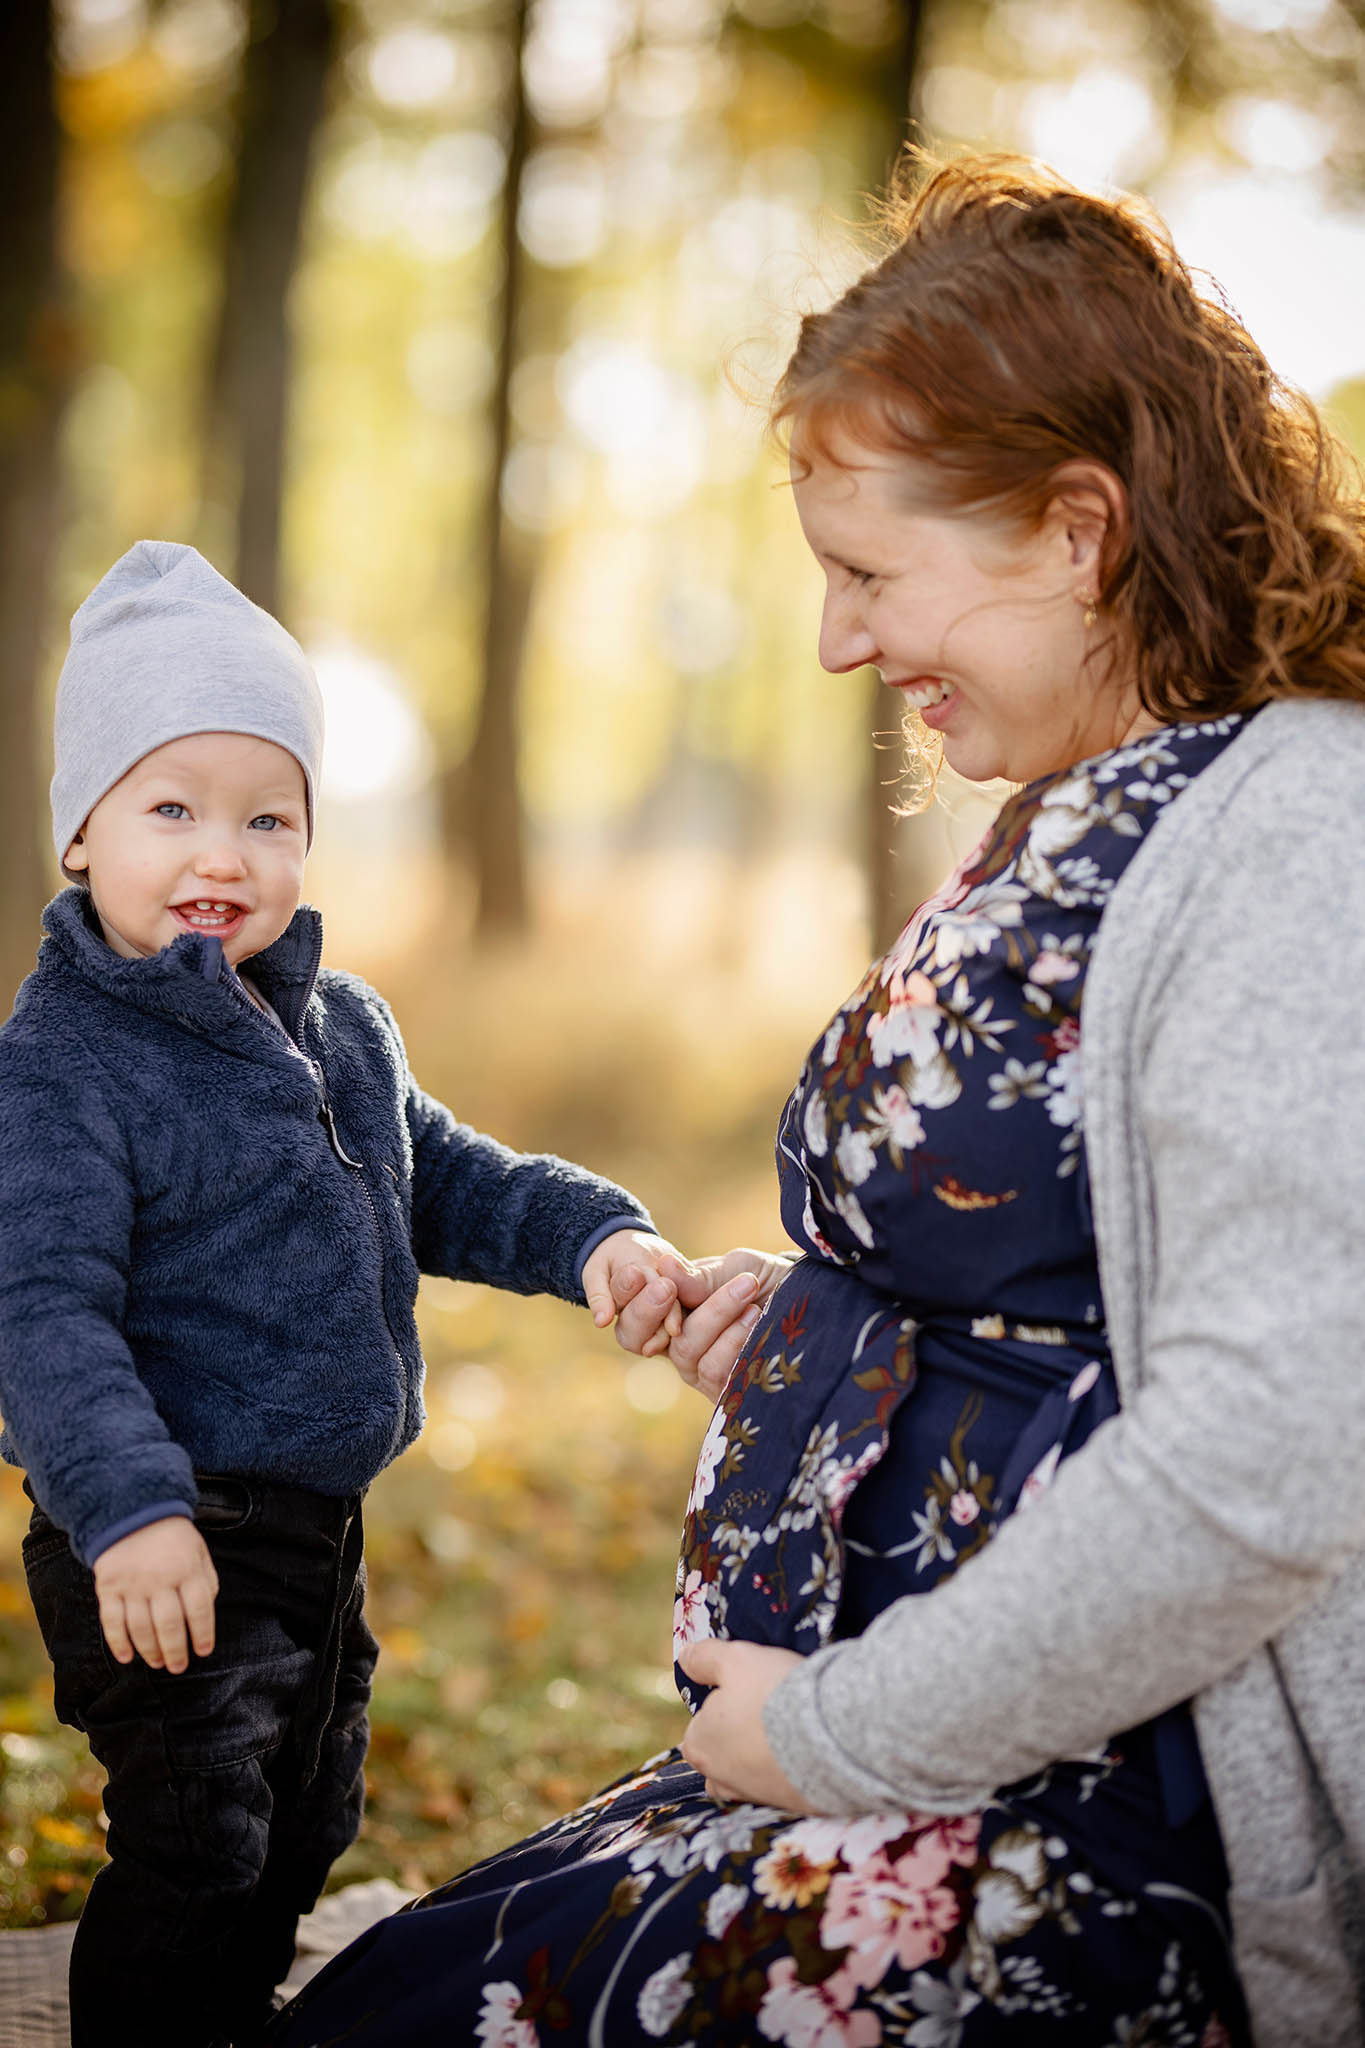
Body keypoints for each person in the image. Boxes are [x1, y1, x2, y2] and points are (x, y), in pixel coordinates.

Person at [259, 154, 1365, 2048]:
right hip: (916, 1757)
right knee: (388, 1989)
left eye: (867, 572)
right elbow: (1084, 1282)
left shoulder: (1296, 835)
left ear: (1077, 530)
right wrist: (830, 1342)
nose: (842, 643)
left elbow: (1277, 1440)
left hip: (1104, 1830)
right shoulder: (1077, 815)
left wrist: (843, 1728)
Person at [0, 540, 721, 2048]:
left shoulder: (340, 1027)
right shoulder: (65, 1063)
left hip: (315, 1525)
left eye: (270, 816)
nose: (225, 854)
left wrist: (590, 1235)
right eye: (172, 807)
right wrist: (127, 1509)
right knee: (196, 1843)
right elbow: (39, 1307)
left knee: (309, 1813)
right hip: (165, 1531)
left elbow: (443, 1179)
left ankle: (230, 2010)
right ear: (81, 831)